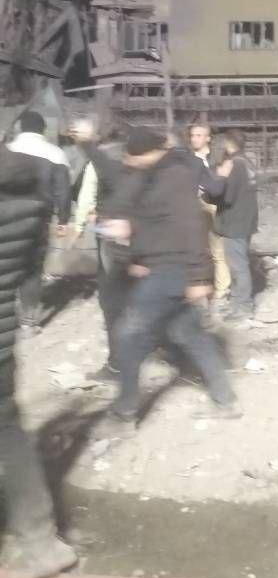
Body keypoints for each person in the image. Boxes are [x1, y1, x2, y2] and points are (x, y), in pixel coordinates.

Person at [104, 128, 240, 431]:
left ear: (146, 153)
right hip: (164, 268)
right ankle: (226, 400)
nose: (128, 161)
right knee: (189, 333)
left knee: (127, 335)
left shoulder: (174, 176)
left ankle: (125, 410)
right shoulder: (151, 174)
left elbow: (191, 226)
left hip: (172, 270)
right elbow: (150, 219)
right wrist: (136, 253)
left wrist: (199, 277)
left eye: (132, 156)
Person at [0, 145, 78, 578]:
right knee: (9, 433)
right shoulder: (31, 196)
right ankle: (42, 542)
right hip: (2, 341)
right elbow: (30, 273)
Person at [68, 123, 145, 382]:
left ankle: (116, 365)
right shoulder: (140, 164)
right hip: (138, 237)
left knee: (112, 300)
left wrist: (80, 225)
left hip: (111, 237)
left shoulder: (103, 162)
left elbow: (87, 195)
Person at [7, 111, 71, 332]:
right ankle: (28, 322)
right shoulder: (56, 154)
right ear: (44, 129)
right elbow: (63, 191)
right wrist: (63, 219)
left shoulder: (7, 150)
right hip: (37, 218)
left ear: (19, 127)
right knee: (32, 268)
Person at [214, 130, 258, 321]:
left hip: (234, 222)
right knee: (240, 263)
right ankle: (237, 303)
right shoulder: (247, 162)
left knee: (238, 265)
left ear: (229, 144)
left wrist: (218, 180)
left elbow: (227, 196)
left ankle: (243, 306)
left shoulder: (234, 165)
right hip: (247, 220)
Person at [189, 124, 230, 304]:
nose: (194, 139)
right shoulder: (189, 159)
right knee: (199, 250)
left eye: (199, 135)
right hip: (196, 207)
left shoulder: (216, 158)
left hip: (214, 207)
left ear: (208, 138)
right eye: (193, 135)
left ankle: (222, 288)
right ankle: (204, 288)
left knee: (217, 250)